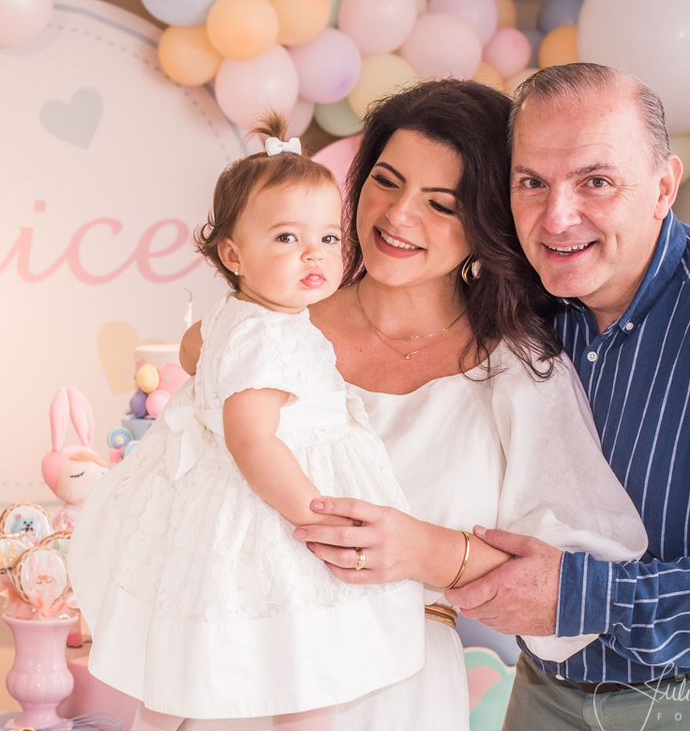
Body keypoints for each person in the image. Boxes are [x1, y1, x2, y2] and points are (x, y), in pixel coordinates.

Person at [180, 80, 648, 731]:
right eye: (386, 181)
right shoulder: (266, 330)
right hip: (240, 676)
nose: (398, 216)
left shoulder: (518, 371)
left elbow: (581, 582)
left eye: (441, 203)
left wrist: (427, 552)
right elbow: (183, 494)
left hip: (400, 691)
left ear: (486, 223)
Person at [444, 62, 690, 730]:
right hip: (546, 682)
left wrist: (582, 596)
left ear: (663, 188)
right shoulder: (516, 295)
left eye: (595, 181)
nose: (556, 217)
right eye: (532, 182)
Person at [69, 116, 429, 731]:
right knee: (306, 664)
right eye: (287, 237)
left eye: (328, 237)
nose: (314, 254)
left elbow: (190, 351)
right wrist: (318, 517)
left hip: (216, 508)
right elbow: (251, 438)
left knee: (198, 662)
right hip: (276, 512)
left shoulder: (233, 315)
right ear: (233, 254)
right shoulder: (271, 338)